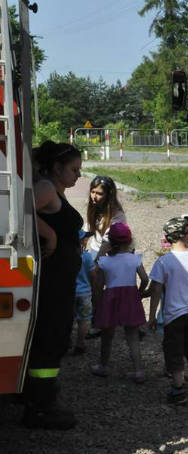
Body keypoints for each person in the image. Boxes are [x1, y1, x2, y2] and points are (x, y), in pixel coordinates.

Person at [24, 141, 84, 429]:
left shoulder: (55, 189)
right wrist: (50, 234)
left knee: (56, 336)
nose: (77, 175)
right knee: (50, 336)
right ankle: (40, 406)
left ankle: (41, 398)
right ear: (57, 167)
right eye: (73, 169)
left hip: (61, 280)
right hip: (52, 282)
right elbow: (22, 213)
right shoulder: (47, 188)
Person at [148, 217, 188, 405]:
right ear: (186, 236)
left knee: (173, 351)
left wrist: (152, 316)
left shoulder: (163, 262)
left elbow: (156, 290)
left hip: (174, 316)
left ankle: (178, 390)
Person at [90, 223, 149, 382]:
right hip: (130, 296)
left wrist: (97, 301)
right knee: (132, 335)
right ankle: (138, 371)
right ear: (130, 241)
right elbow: (145, 278)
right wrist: (140, 291)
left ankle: (103, 366)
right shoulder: (135, 259)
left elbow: (98, 285)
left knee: (107, 335)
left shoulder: (104, 262)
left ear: (111, 242)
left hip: (110, 298)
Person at [85, 175, 125, 259]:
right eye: (92, 192)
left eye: (99, 193)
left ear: (108, 196)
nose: (94, 197)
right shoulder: (95, 207)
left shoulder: (117, 215)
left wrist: (96, 260)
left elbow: (108, 241)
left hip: (112, 254)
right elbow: (88, 227)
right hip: (95, 248)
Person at [72, 230, 95, 354]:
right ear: (81, 241)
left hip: (70, 293)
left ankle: (67, 342)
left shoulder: (68, 256)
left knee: (69, 318)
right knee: (84, 319)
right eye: (85, 238)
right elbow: (92, 274)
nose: (87, 240)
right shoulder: (87, 256)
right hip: (85, 293)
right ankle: (80, 343)